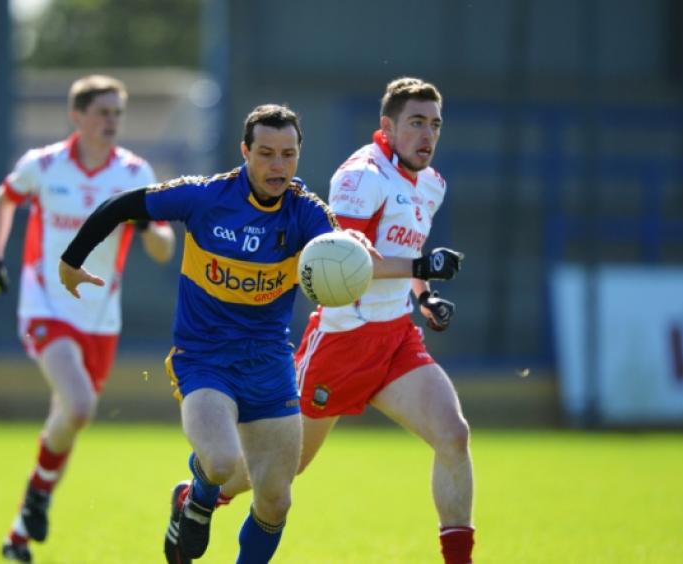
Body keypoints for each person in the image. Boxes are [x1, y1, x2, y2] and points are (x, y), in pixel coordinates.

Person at [57, 103, 460, 564]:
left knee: (276, 498)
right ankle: (196, 499)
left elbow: (347, 252)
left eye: (288, 155)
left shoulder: (307, 213)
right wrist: (72, 261)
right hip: (205, 359)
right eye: (266, 153)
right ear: (244, 151)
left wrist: (374, 257)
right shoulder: (205, 196)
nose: (277, 166)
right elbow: (121, 205)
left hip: (269, 366)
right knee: (223, 462)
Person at [188, 78, 474, 563]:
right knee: (281, 469)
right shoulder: (363, 175)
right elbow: (350, 260)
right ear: (388, 126)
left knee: (454, 435)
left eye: (435, 124)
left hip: (396, 339)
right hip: (342, 340)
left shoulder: (432, 183)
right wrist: (421, 269)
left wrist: (423, 296)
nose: (428, 135)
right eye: (416, 123)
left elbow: (407, 250)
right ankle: (199, 490)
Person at [0, 74, 176, 563]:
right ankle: (39, 498)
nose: (111, 122)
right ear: (78, 116)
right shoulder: (43, 165)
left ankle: (19, 533)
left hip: (100, 320)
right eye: (103, 112)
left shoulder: (133, 173)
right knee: (81, 405)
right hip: (45, 306)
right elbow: (3, 199)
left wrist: (154, 232)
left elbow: (162, 245)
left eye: (118, 113)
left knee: (66, 418)